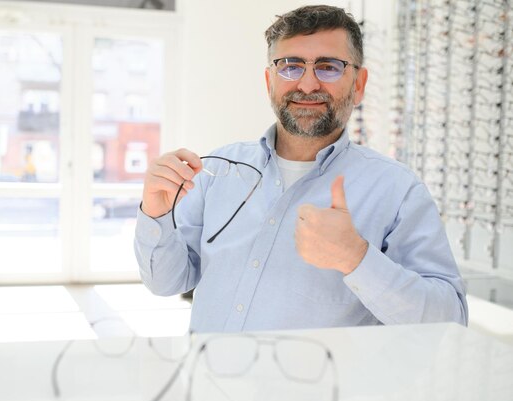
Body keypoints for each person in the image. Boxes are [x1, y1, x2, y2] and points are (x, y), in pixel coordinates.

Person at [134, 5, 468, 333]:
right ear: (269, 81)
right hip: (207, 381)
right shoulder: (218, 170)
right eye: (290, 66)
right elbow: (166, 282)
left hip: (320, 389)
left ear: (359, 84)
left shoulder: (398, 190)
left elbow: (450, 319)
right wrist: (156, 215)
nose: (307, 85)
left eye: (329, 67)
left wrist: (357, 259)